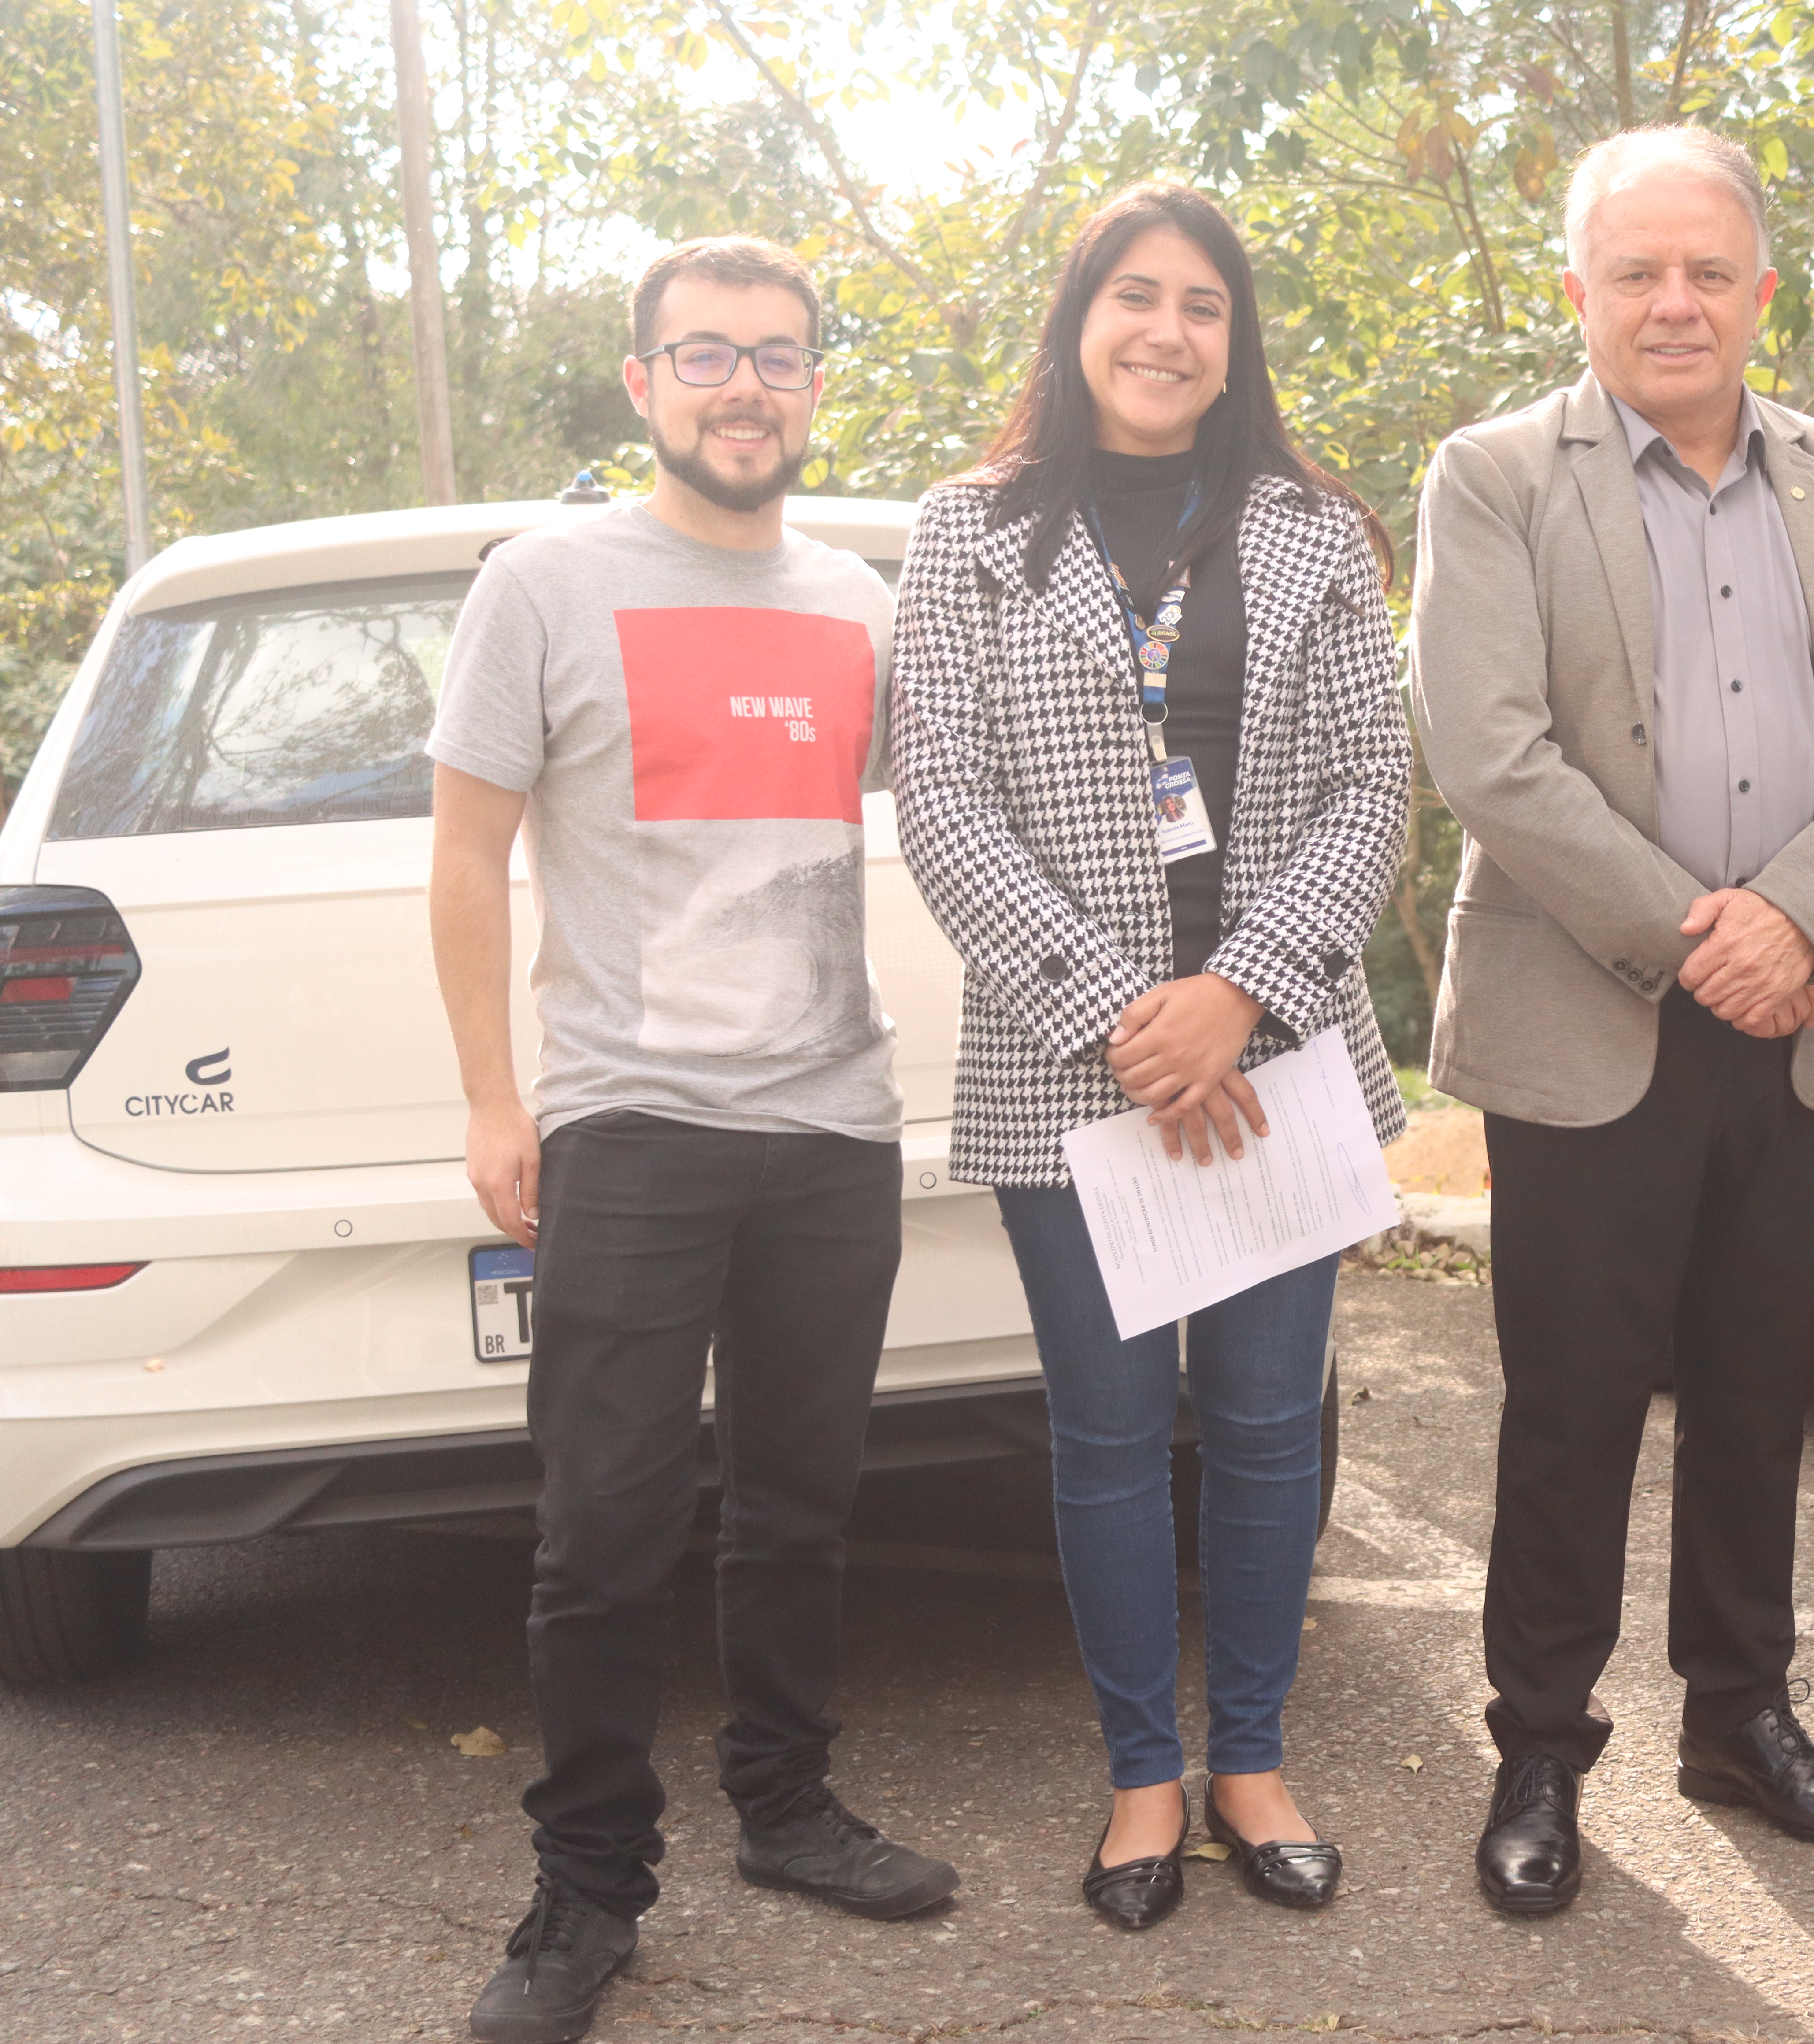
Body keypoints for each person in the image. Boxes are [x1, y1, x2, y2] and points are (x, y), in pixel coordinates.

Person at [1408, 126, 1814, 1914]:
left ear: (1760, 292)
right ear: (1579, 291)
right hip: (1593, 1018)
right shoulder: (1495, 478)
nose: (1673, 302)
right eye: (1636, 271)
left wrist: (1794, 919)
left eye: (1708, 271)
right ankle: (1542, 1750)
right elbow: (1488, 747)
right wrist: (1697, 930)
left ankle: (1745, 1717)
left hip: (1792, 1013)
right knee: (1570, 1409)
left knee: (1757, 1394)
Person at [428, 234, 958, 2044]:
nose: (750, 386)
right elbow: (464, 852)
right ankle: (585, 1891)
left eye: (783, 357)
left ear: (816, 385)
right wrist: (499, 1097)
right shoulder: (546, 583)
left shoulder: (865, 599)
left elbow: (966, 814)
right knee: (603, 1528)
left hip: (832, 1119)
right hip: (632, 1120)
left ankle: (788, 1804)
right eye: (710, 354)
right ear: (645, 382)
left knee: (802, 1507)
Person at [891, 183, 1410, 1931]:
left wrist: (1240, 992)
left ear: (1233, 337)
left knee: (1267, 1431)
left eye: (1203, 303)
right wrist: (1127, 1015)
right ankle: (1141, 1775)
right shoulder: (965, 533)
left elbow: (1371, 792)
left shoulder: (1310, 534)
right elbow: (943, 799)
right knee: (1110, 1437)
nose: (1167, 330)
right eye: (1136, 295)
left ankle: (1252, 1758)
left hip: (1278, 1060)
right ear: (1079, 316)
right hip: (1075, 1071)